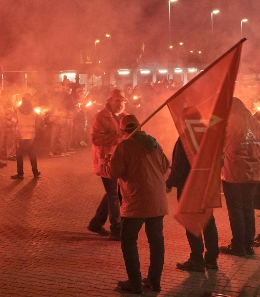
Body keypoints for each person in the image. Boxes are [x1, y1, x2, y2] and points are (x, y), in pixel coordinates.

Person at [103, 115, 169, 294]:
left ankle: (135, 283)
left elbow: (114, 172)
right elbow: (165, 166)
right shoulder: (154, 144)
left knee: (128, 241)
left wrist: (108, 161)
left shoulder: (125, 146)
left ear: (123, 130)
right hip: (157, 201)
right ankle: (154, 282)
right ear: (140, 127)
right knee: (156, 241)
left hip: (135, 202)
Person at [166, 136, 219, 271]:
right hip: (207, 183)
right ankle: (211, 259)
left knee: (191, 221)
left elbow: (179, 164)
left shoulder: (186, 137)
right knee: (208, 219)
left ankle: (196, 259)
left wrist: (169, 183)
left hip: (189, 186)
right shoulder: (208, 134)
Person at [219, 98, 260, 256]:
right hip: (253, 173)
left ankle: (238, 245)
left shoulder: (231, 123)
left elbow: (223, 146)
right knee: (248, 208)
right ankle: (248, 245)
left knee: (236, 210)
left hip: (234, 173)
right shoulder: (255, 124)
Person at [87, 88, 128, 241]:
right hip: (106, 161)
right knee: (114, 194)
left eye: (122, 100)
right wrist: (118, 138)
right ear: (109, 100)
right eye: (117, 100)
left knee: (113, 193)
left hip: (122, 161)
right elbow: (96, 139)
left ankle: (96, 223)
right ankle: (116, 228)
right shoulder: (100, 117)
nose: (120, 103)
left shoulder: (126, 116)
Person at [11, 97, 40, 179]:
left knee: (19, 155)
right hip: (31, 137)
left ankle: (20, 174)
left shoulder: (17, 111)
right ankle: (35, 172)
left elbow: (13, 122)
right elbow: (38, 123)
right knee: (32, 155)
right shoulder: (34, 111)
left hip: (21, 137)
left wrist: (14, 131)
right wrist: (35, 133)